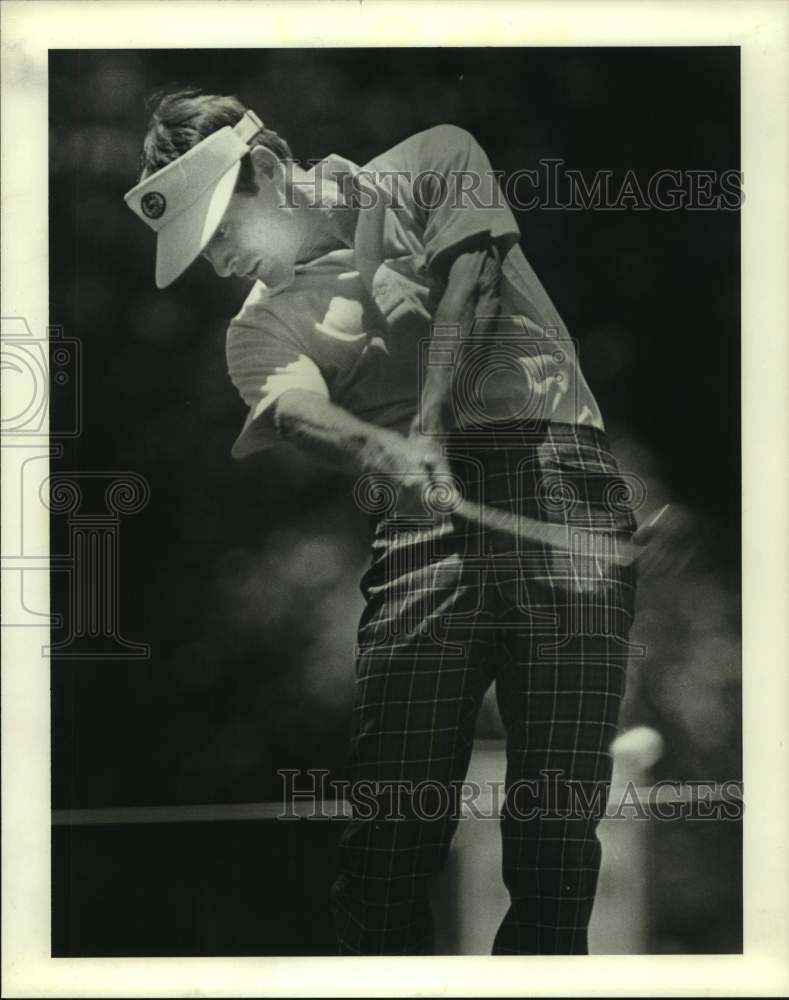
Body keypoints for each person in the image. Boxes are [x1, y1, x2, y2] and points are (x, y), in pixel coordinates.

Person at [125, 89, 640, 955]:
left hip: (562, 481)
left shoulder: (434, 156)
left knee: (554, 842)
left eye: (219, 233)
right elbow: (293, 414)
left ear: (262, 167)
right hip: (420, 536)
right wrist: (384, 449)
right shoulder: (255, 329)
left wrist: (429, 429)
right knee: (386, 847)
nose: (214, 263)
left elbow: (471, 288)